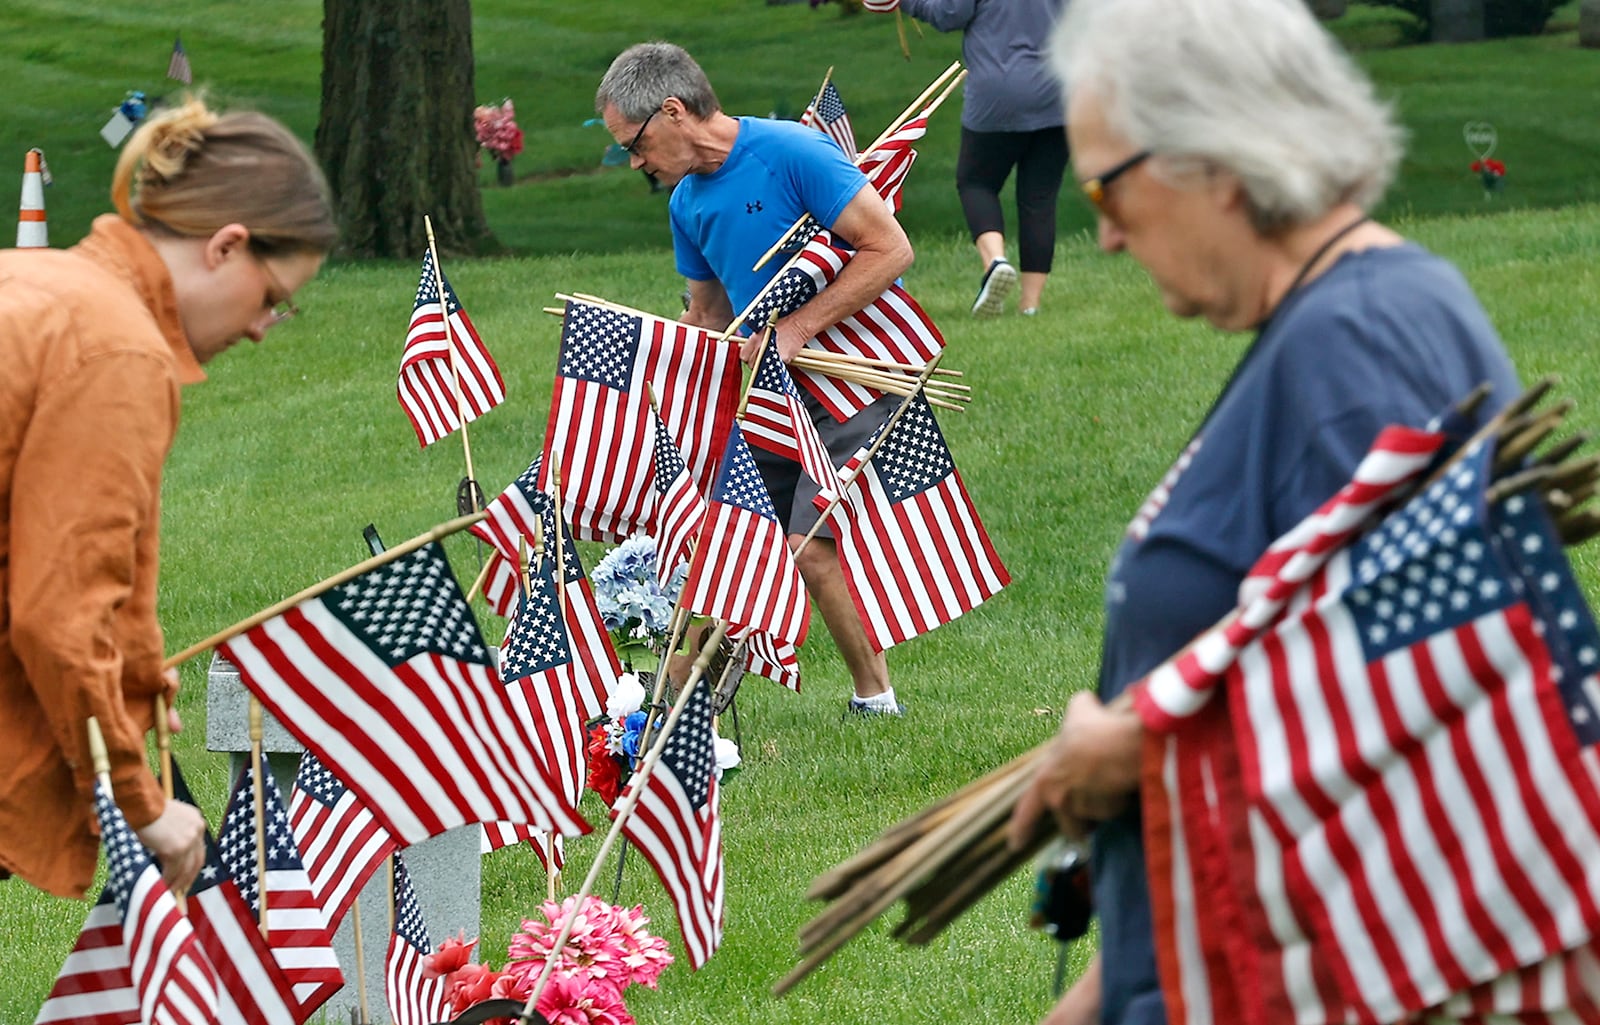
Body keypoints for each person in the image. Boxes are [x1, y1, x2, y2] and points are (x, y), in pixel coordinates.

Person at [1003, 1, 1522, 1022]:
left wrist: (1136, 745)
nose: (1101, 232)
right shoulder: (1337, 325)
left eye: (1107, 184)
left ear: (1216, 160)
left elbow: (1425, 723)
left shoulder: (1362, 347)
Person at [0, 98, 335, 899]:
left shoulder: (42, 279)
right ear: (226, 246)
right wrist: (139, 798)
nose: (261, 329)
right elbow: (61, 609)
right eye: (271, 299)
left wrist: (132, 688)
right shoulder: (115, 345)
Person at [596, 42, 914, 715]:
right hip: (775, 390)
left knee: (809, 546)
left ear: (674, 111)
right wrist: (655, 373)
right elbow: (708, 313)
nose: (634, 161)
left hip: (855, 376)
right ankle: (679, 708)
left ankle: (876, 700)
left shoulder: (792, 151)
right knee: (723, 536)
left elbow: (890, 248)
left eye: (636, 142)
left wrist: (798, 327)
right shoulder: (687, 201)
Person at [895, 0, 1069, 317]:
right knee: (1040, 198)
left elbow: (949, 14)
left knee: (976, 181)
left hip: (998, 93)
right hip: (1059, 91)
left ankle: (995, 262)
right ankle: (1030, 305)